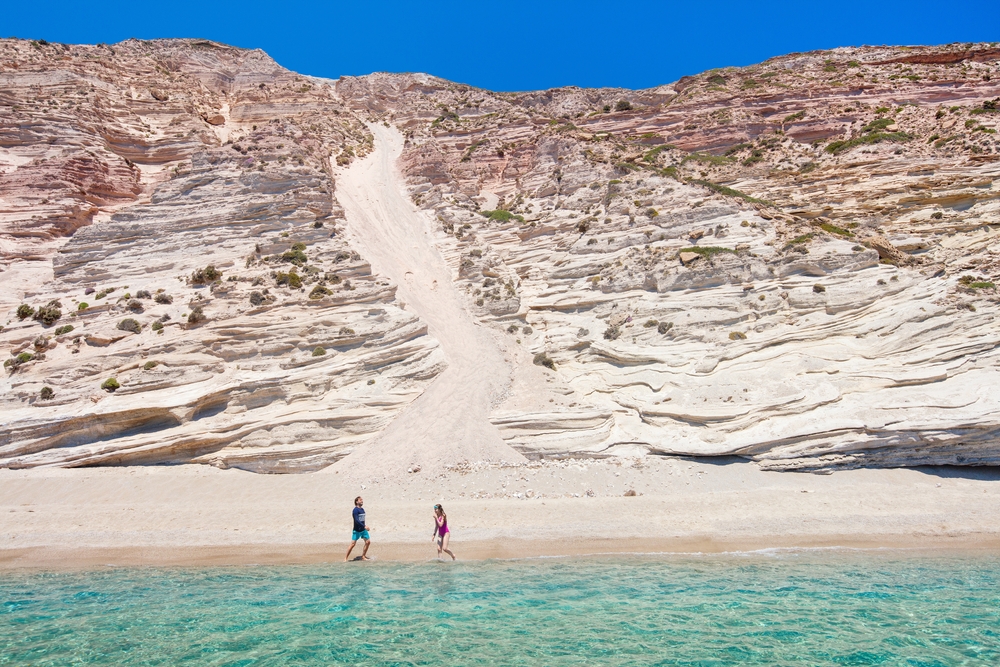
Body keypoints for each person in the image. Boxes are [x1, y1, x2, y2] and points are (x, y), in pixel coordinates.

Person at [345, 496, 372, 562]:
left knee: (368, 542)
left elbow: (362, 520)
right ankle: (345, 558)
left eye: (362, 500)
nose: (362, 501)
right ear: (357, 502)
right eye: (360, 500)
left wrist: (363, 527)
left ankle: (363, 556)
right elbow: (356, 520)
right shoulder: (355, 510)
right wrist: (364, 526)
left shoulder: (362, 510)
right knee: (353, 544)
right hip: (357, 530)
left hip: (363, 530)